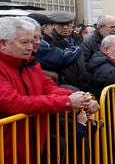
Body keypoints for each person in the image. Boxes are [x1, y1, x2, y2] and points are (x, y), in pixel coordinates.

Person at [0, 17, 98, 164]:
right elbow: (13, 103)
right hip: (7, 145)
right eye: (24, 43)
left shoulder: (30, 64)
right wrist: (67, 102)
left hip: (29, 141)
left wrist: (82, 98)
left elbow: (48, 87)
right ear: (3, 44)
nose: (31, 47)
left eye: (32, 41)